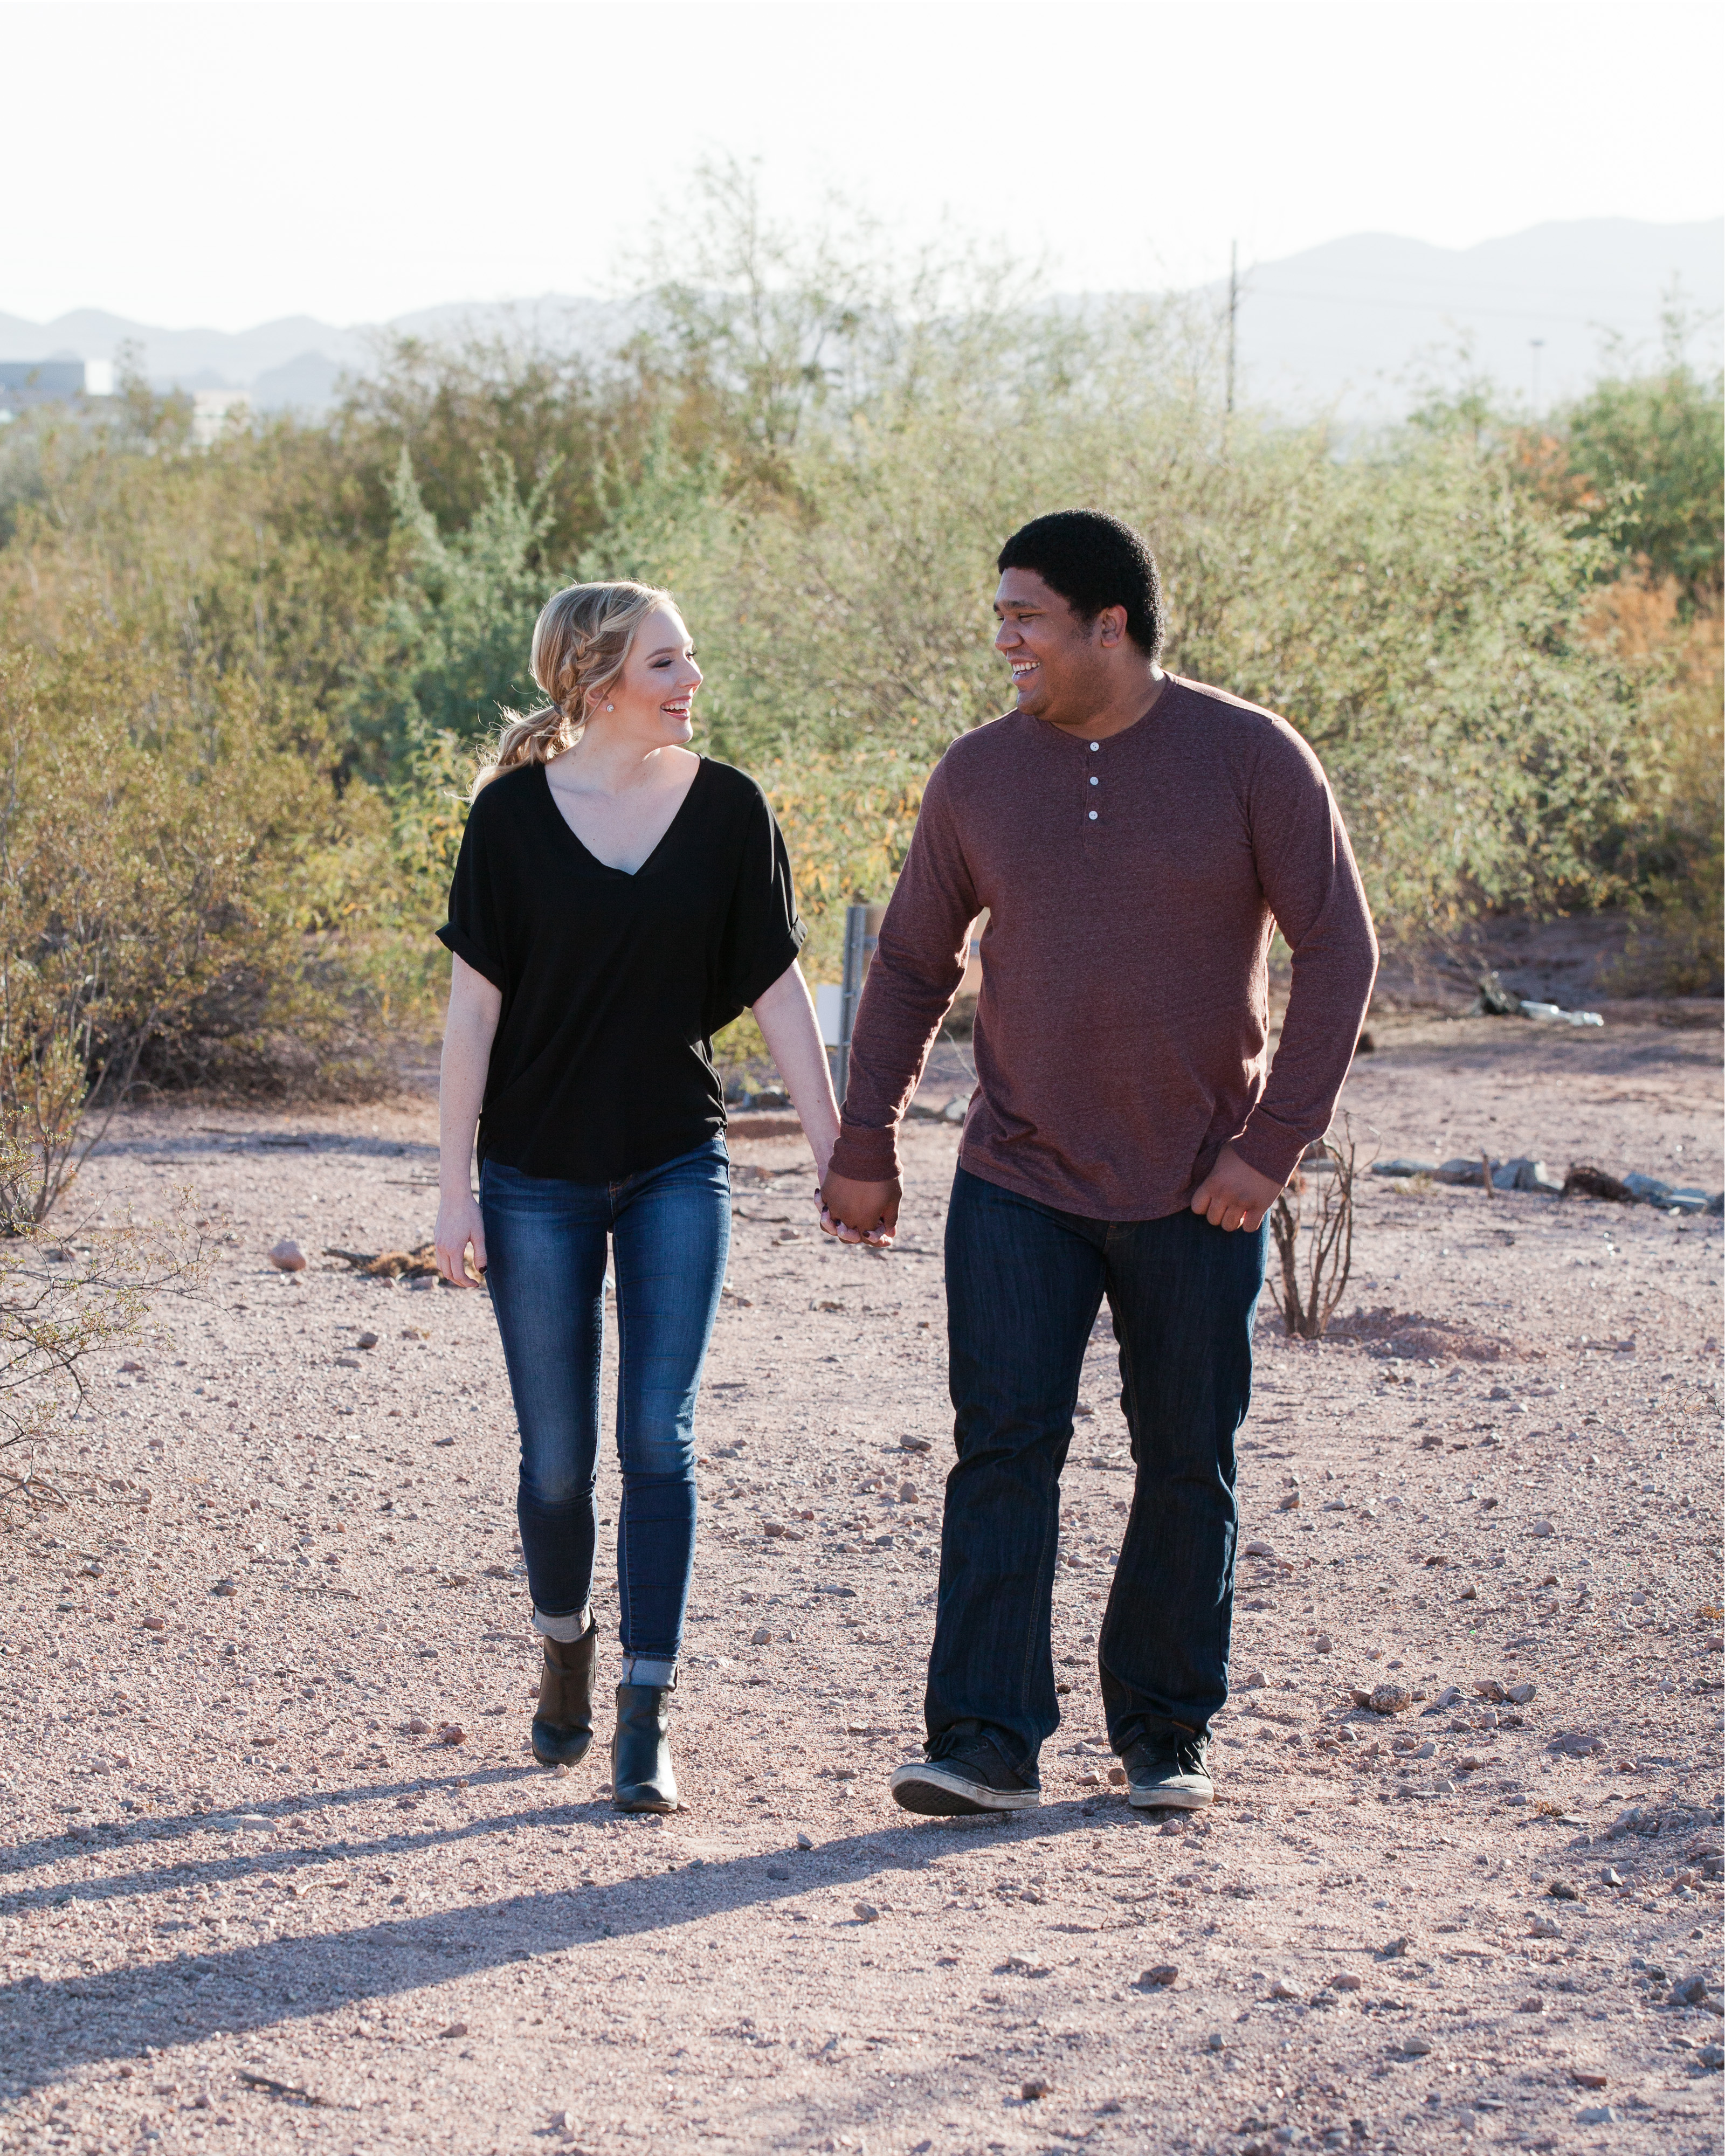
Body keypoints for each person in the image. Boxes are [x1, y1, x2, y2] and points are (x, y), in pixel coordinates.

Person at [820, 510, 1377, 1816]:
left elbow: (1337, 951)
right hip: (1020, 1175)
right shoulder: (976, 775)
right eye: (1000, 614)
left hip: (1199, 1183)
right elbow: (910, 963)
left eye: (1025, 615)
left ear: (1107, 625)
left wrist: (1269, 1147)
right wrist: (865, 1138)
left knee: (1187, 1453)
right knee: (1003, 1447)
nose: (1003, 637)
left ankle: (1164, 1732)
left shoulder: (1249, 757)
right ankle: (982, 1740)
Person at [434, 580, 838, 1814]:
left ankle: (643, 1717)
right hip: (533, 1175)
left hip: (675, 1159)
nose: (692, 679)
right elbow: (472, 1016)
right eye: (668, 660)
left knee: (654, 1438)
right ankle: (565, 1647)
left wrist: (839, 1148)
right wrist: (452, 1188)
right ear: (599, 677)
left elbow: (776, 990)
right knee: (556, 1462)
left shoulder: (729, 810)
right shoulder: (507, 822)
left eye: (692, 656)